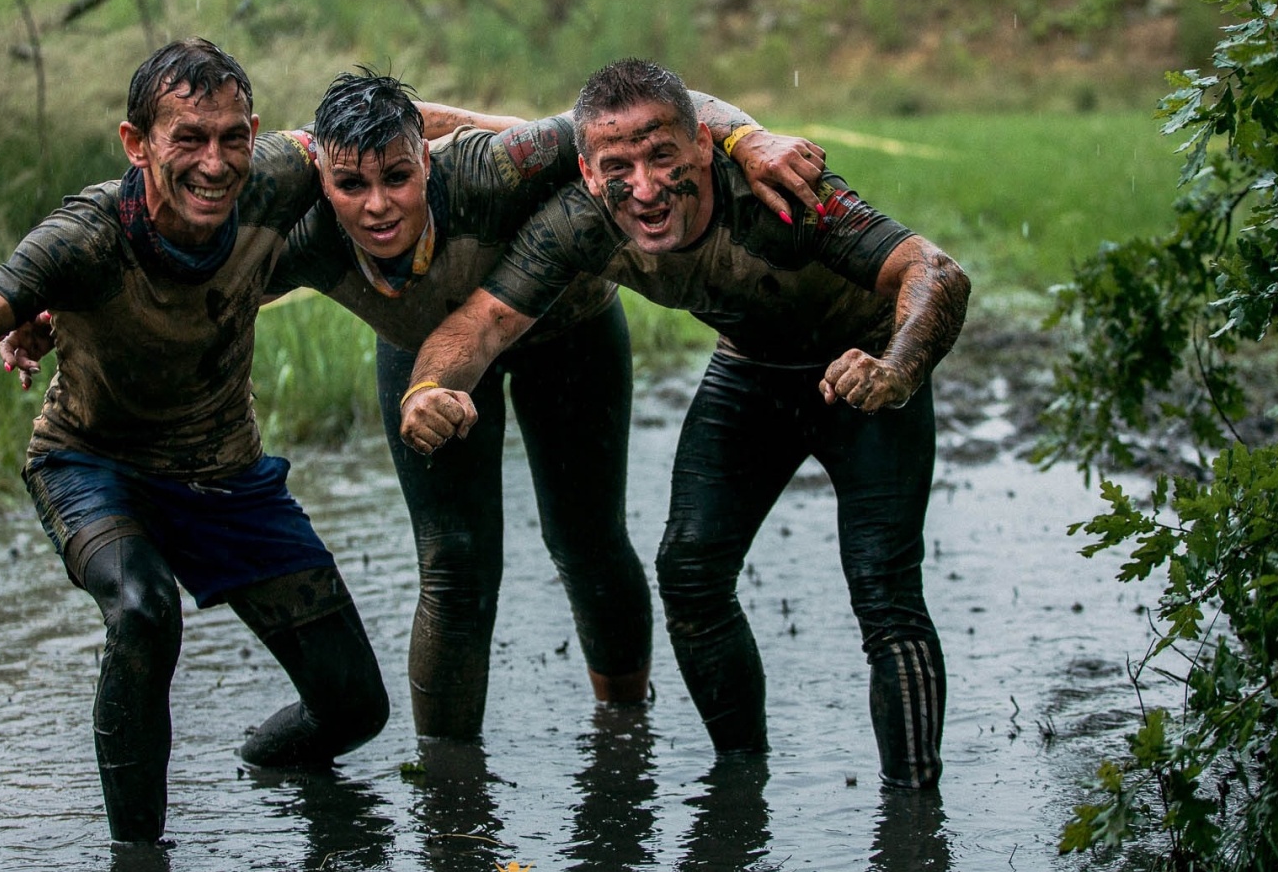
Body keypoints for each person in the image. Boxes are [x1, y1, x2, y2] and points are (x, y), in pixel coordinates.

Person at [5, 68, 829, 742]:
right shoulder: (301, 232)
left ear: (427, 164)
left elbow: (653, 111)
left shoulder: (492, 164)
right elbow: (176, 275)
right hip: (425, 352)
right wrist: (57, 314)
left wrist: (748, 138)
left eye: (397, 177)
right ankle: (447, 783)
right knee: (454, 560)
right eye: (350, 185)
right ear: (320, 183)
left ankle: (624, 728)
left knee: (585, 537)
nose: (376, 205)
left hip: (563, 329)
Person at [400, 58, 971, 788]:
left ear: (705, 144)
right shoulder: (581, 218)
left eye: (663, 155)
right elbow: (481, 323)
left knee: (885, 591)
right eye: (619, 166)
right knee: (691, 573)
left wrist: (894, 370)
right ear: (587, 169)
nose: (644, 187)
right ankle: (740, 781)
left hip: (862, 373)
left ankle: (915, 816)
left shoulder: (776, 190)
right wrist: (425, 388)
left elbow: (935, 270)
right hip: (752, 370)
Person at [0, 38, 391, 845]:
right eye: (187, 139)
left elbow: (394, 134)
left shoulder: (278, 173)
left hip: (225, 475)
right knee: (145, 609)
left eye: (231, 137)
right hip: (91, 466)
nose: (214, 163)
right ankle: (140, 871)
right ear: (137, 143)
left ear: (253, 131)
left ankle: (262, 774)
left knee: (356, 708)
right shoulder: (87, 235)